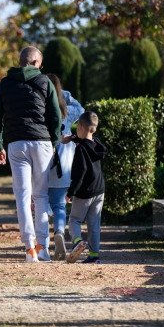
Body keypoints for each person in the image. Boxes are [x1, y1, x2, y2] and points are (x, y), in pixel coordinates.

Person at [0, 46, 62, 262]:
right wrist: (55, 141)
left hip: (16, 143)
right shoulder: (45, 81)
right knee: (41, 196)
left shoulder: (5, 83)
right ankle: (43, 247)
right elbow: (55, 115)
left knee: (22, 195)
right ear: (36, 63)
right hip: (42, 142)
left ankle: (29, 248)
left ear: (21, 61)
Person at [46, 74, 84, 261]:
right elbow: (81, 109)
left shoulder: (39, 110)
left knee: (42, 204)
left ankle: (41, 243)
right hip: (63, 166)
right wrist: (64, 95)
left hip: (42, 163)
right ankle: (59, 231)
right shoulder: (66, 112)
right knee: (60, 205)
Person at [63, 111, 107, 264]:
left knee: (74, 220)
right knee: (94, 224)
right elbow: (86, 140)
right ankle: (94, 256)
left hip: (84, 192)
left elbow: (79, 174)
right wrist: (72, 138)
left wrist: (70, 193)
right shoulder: (97, 145)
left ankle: (77, 242)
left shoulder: (80, 149)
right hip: (99, 190)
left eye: (77, 128)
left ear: (80, 126)